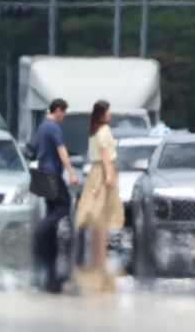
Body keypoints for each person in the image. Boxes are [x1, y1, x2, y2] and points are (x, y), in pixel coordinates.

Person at [75, 100, 124, 292]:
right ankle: (100, 261)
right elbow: (105, 154)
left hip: (98, 172)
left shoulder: (96, 130)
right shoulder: (103, 130)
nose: (111, 114)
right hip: (104, 172)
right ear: (102, 113)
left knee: (97, 217)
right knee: (102, 217)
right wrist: (110, 175)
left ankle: (97, 259)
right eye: (108, 111)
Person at [32, 98, 79, 293]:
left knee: (53, 211)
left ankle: (50, 271)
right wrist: (72, 172)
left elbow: (36, 149)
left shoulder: (42, 127)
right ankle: (40, 230)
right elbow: (61, 151)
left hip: (43, 175)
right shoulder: (53, 127)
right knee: (63, 206)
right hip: (53, 175)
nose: (64, 116)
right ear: (57, 110)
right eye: (63, 112)